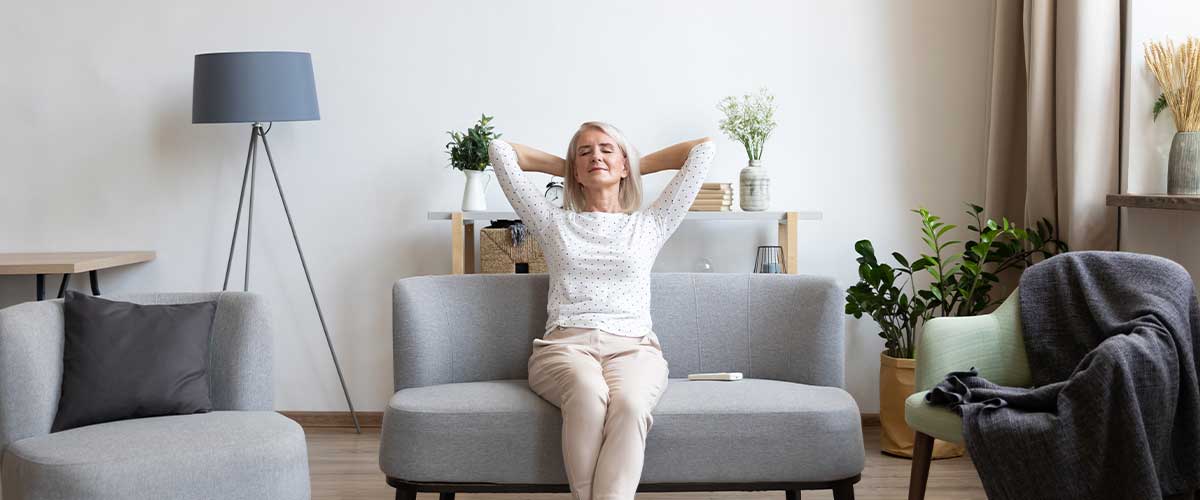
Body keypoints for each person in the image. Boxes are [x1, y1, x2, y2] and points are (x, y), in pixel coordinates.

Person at [487, 121, 715, 500]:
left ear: (625, 165)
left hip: (635, 348)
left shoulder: (650, 225)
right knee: (588, 391)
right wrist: (570, 166)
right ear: (573, 170)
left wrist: (631, 162)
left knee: (629, 404)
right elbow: (501, 151)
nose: (596, 156)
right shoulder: (552, 222)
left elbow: (703, 149)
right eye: (585, 152)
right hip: (564, 348)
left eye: (607, 149)